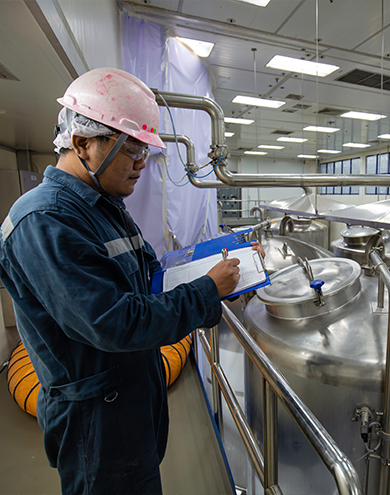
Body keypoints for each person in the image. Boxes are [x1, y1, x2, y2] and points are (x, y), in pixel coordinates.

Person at [0, 67, 260, 494]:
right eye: (132, 149)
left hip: (131, 403)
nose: (142, 163)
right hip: (96, 424)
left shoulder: (106, 208)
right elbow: (113, 322)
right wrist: (206, 290)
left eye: (145, 150)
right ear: (82, 143)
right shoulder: (46, 220)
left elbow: (153, 279)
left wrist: (224, 272)